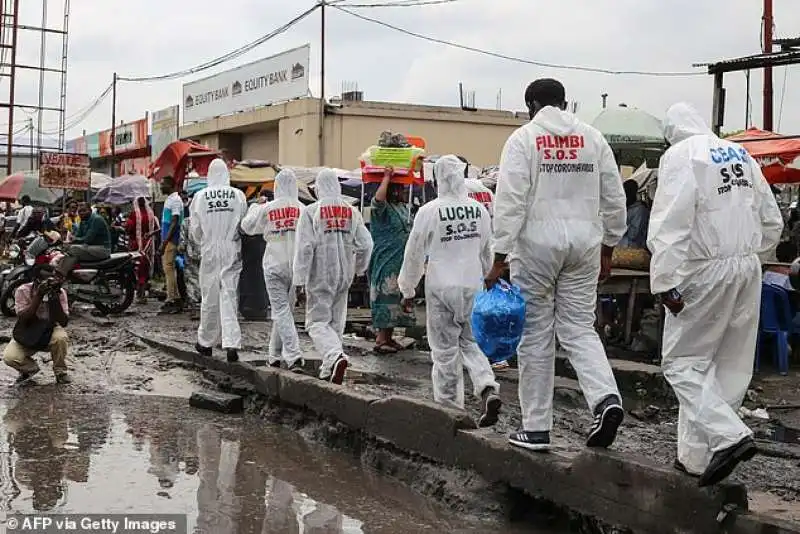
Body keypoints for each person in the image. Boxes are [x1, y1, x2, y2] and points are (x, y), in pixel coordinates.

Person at [486, 78, 627, 451]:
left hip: (536, 246)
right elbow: (614, 196)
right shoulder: (594, 138)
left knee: (536, 334)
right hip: (584, 244)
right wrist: (609, 246)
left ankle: (535, 428)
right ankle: (605, 399)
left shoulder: (523, 139)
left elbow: (510, 201)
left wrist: (499, 257)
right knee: (580, 329)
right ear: (565, 103)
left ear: (531, 104)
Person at [647, 102, 783, 486]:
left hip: (705, 269)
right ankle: (695, 457)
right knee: (728, 365)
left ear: (671, 132)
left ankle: (730, 435)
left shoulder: (681, 155)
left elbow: (670, 223)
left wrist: (664, 282)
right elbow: (771, 217)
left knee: (682, 364)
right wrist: (752, 255)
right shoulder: (737, 152)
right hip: (746, 265)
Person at [398, 155, 501, 426]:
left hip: (441, 287)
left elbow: (414, 253)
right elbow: (487, 250)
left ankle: (450, 412)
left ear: (438, 178)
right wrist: (490, 278)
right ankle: (487, 385)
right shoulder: (478, 210)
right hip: (473, 286)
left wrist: (407, 289)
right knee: (471, 342)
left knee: (444, 352)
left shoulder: (430, 211)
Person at [293, 168, 373, 384]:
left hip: (320, 274)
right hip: (344, 274)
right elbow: (366, 244)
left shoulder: (311, 212)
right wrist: (359, 269)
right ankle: (330, 368)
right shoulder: (351, 211)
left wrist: (299, 280)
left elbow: (305, 248)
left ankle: (334, 356)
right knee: (336, 322)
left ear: (318, 188)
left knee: (316, 323)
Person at [242, 168, 305, 372]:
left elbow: (247, 226)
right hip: (296, 265)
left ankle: (294, 356)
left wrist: (255, 207)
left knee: (280, 310)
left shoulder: (268, 208)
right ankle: (274, 356)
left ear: (276, 187)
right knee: (286, 310)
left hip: (274, 263)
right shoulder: (303, 209)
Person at [190, 159, 248, 362]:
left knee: (210, 297)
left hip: (210, 248)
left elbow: (195, 231)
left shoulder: (199, 197)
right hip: (231, 247)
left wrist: (204, 242)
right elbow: (244, 223)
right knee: (229, 296)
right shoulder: (238, 195)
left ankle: (205, 342)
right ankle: (231, 343)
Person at [368, 167, 414, 354]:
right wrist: (386, 177)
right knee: (386, 295)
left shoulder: (403, 208)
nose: (402, 192)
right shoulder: (382, 209)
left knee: (398, 296)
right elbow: (378, 200)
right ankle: (381, 338)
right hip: (386, 259)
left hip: (402, 259)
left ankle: (389, 336)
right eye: (399, 189)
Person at [3, 267, 71, 384]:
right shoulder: (23, 290)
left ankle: (60, 372)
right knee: (10, 357)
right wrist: (39, 295)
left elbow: (64, 322)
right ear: (35, 280)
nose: (48, 284)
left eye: (52, 280)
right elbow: (24, 318)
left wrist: (54, 297)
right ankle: (29, 369)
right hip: (28, 329)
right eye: (44, 281)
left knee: (61, 338)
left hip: (50, 328)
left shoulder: (60, 292)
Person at [57, 202, 111, 275]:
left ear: (90, 211)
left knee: (74, 249)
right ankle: (63, 274)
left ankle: (61, 274)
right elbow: (78, 235)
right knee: (67, 249)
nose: (82, 213)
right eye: (79, 211)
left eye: (84, 210)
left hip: (102, 249)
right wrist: (68, 243)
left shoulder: (96, 219)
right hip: (89, 247)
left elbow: (88, 239)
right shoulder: (83, 221)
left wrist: (73, 240)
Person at [125, 196, 160, 302]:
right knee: (145, 269)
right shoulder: (151, 214)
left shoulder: (133, 214)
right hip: (148, 245)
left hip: (136, 246)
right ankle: (142, 294)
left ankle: (139, 294)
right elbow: (158, 229)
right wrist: (149, 234)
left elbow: (128, 229)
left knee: (137, 269)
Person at [160, 176, 184, 313]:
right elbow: (167, 222)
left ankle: (172, 299)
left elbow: (174, 222)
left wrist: (165, 242)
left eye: (163, 184)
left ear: (170, 185)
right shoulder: (171, 199)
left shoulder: (175, 200)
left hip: (171, 240)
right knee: (169, 269)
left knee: (169, 269)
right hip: (168, 239)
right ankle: (175, 297)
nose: (161, 186)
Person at [618, 179, 650, 249]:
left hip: (636, 246)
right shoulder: (628, 207)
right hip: (626, 241)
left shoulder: (640, 210)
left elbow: (633, 235)